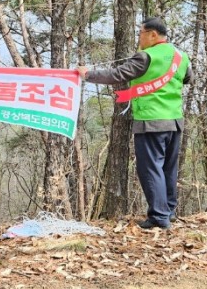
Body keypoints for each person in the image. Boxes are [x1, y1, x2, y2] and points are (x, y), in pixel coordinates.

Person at [78, 17, 192, 230]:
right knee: (168, 168)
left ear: (153, 35)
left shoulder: (145, 56)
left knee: (150, 168)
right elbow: (187, 78)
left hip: (151, 120)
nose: (139, 38)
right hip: (175, 121)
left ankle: (159, 217)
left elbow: (118, 74)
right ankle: (169, 211)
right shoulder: (181, 56)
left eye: (141, 33)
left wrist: (88, 75)